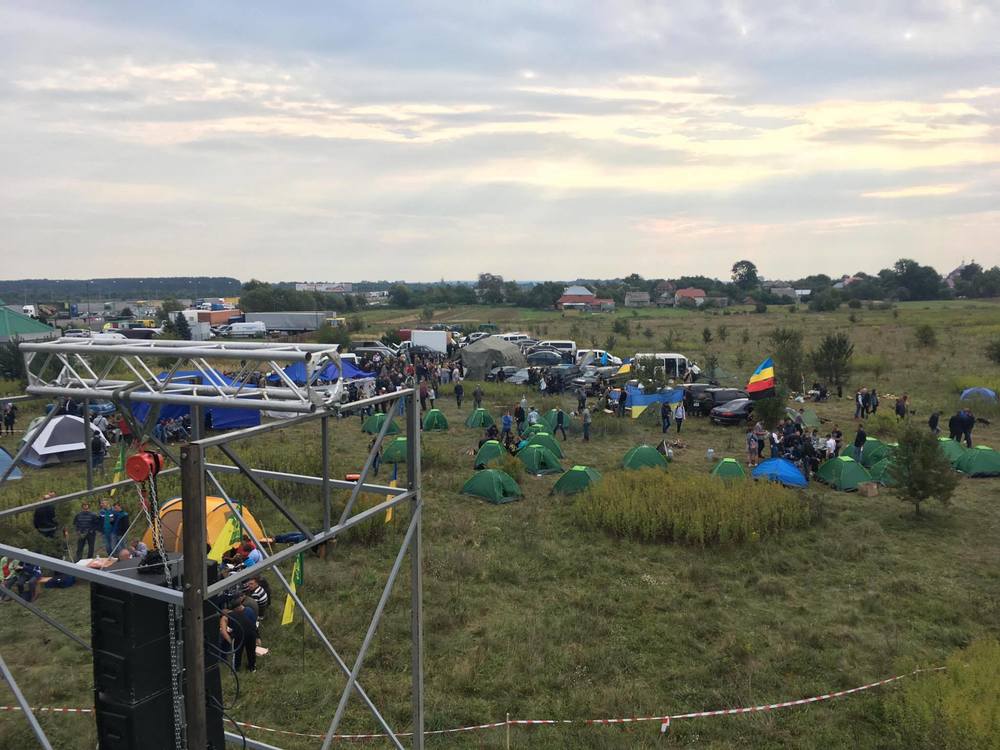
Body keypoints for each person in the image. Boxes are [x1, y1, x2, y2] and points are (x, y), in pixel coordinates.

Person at [222, 597, 258, 672]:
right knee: (251, 651)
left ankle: (236, 669)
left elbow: (224, 632)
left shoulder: (225, 617)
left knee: (237, 652)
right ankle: (252, 668)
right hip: (252, 633)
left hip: (239, 635)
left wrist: (230, 641)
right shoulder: (247, 610)